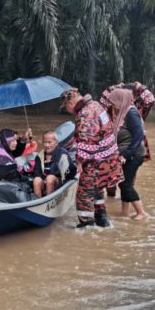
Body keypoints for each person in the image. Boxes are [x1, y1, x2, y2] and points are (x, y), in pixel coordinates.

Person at [60, 88, 123, 228]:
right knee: (97, 189)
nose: (68, 111)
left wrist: (80, 162)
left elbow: (88, 141)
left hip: (95, 161)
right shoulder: (96, 105)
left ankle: (87, 226)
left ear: (70, 102)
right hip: (109, 159)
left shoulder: (85, 114)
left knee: (84, 194)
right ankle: (102, 220)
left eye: (66, 107)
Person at [100, 82, 155, 197]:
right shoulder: (112, 105)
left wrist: (139, 87)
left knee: (128, 178)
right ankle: (114, 197)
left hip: (132, 144)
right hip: (115, 142)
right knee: (111, 176)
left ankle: (128, 197)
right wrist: (115, 88)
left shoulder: (136, 108)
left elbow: (150, 99)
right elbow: (103, 100)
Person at [106, 89, 148, 221]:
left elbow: (139, 135)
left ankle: (141, 212)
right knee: (123, 182)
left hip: (133, 155)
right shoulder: (123, 113)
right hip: (126, 153)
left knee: (125, 184)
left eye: (114, 102)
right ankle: (125, 213)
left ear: (121, 100)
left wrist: (126, 154)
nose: (112, 105)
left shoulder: (131, 113)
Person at [32, 131, 76, 198]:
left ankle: (48, 200)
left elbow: (71, 173)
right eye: (44, 142)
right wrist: (42, 180)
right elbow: (37, 172)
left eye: (49, 142)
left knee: (50, 178)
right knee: (36, 180)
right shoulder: (39, 156)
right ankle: (38, 201)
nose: (47, 145)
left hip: (58, 182)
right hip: (44, 181)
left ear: (56, 143)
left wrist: (68, 165)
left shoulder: (63, 154)